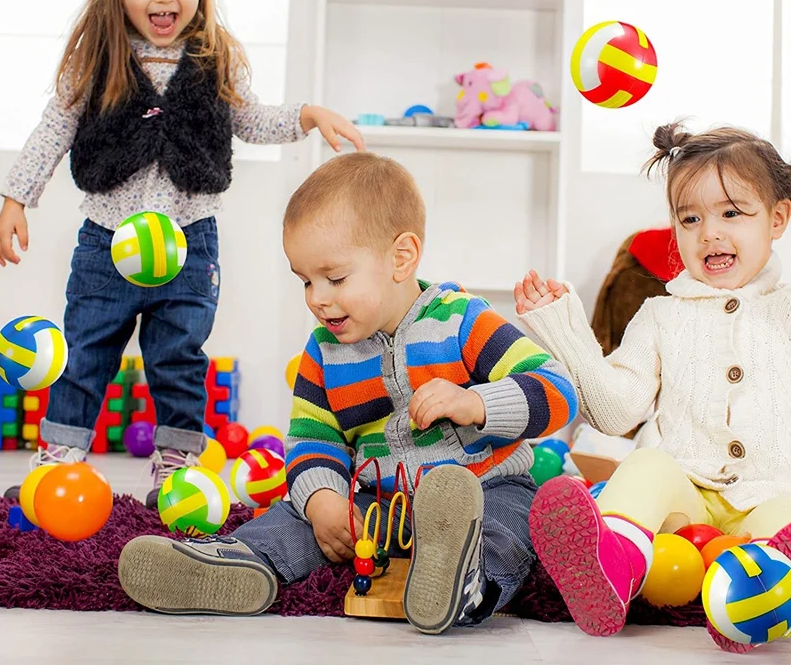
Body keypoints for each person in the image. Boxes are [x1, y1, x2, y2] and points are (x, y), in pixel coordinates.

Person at [0, 0, 364, 508]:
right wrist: (15, 198)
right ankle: (61, 453)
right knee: (85, 350)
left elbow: (251, 118)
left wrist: (306, 116)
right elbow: (53, 128)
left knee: (178, 357)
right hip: (106, 242)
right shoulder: (95, 57)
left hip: (190, 243)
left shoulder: (216, 56)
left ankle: (178, 464)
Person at [118, 151, 578, 634]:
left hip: (485, 489)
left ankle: (465, 582)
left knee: (510, 526)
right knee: (295, 516)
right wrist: (323, 502)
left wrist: (477, 403)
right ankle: (239, 561)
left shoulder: (462, 320)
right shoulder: (323, 353)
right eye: (306, 281)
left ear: (401, 258)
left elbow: (556, 388)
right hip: (379, 506)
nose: (317, 298)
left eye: (335, 278)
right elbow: (313, 441)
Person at [516, 123, 791, 653]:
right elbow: (615, 413)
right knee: (644, 466)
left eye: (731, 213)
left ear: (776, 219)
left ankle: (756, 594)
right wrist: (565, 332)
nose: (709, 233)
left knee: (787, 516)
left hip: (769, 495)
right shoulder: (660, 315)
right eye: (690, 219)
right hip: (684, 500)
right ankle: (610, 569)